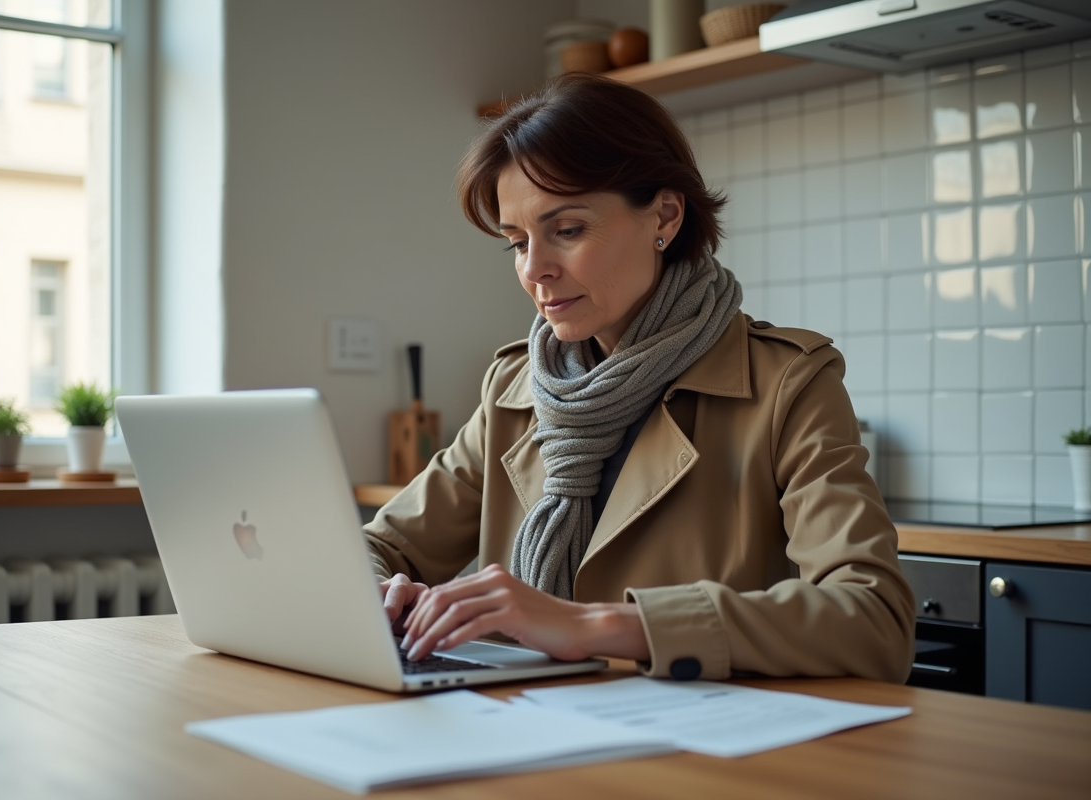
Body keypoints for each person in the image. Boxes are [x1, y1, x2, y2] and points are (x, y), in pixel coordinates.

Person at [364, 73, 914, 683]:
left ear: (666, 216)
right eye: (516, 243)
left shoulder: (787, 382)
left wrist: (595, 627)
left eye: (566, 231)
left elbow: (874, 619)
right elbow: (375, 549)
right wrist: (381, 595)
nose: (535, 269)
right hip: (524, 735)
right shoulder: (517, 389)